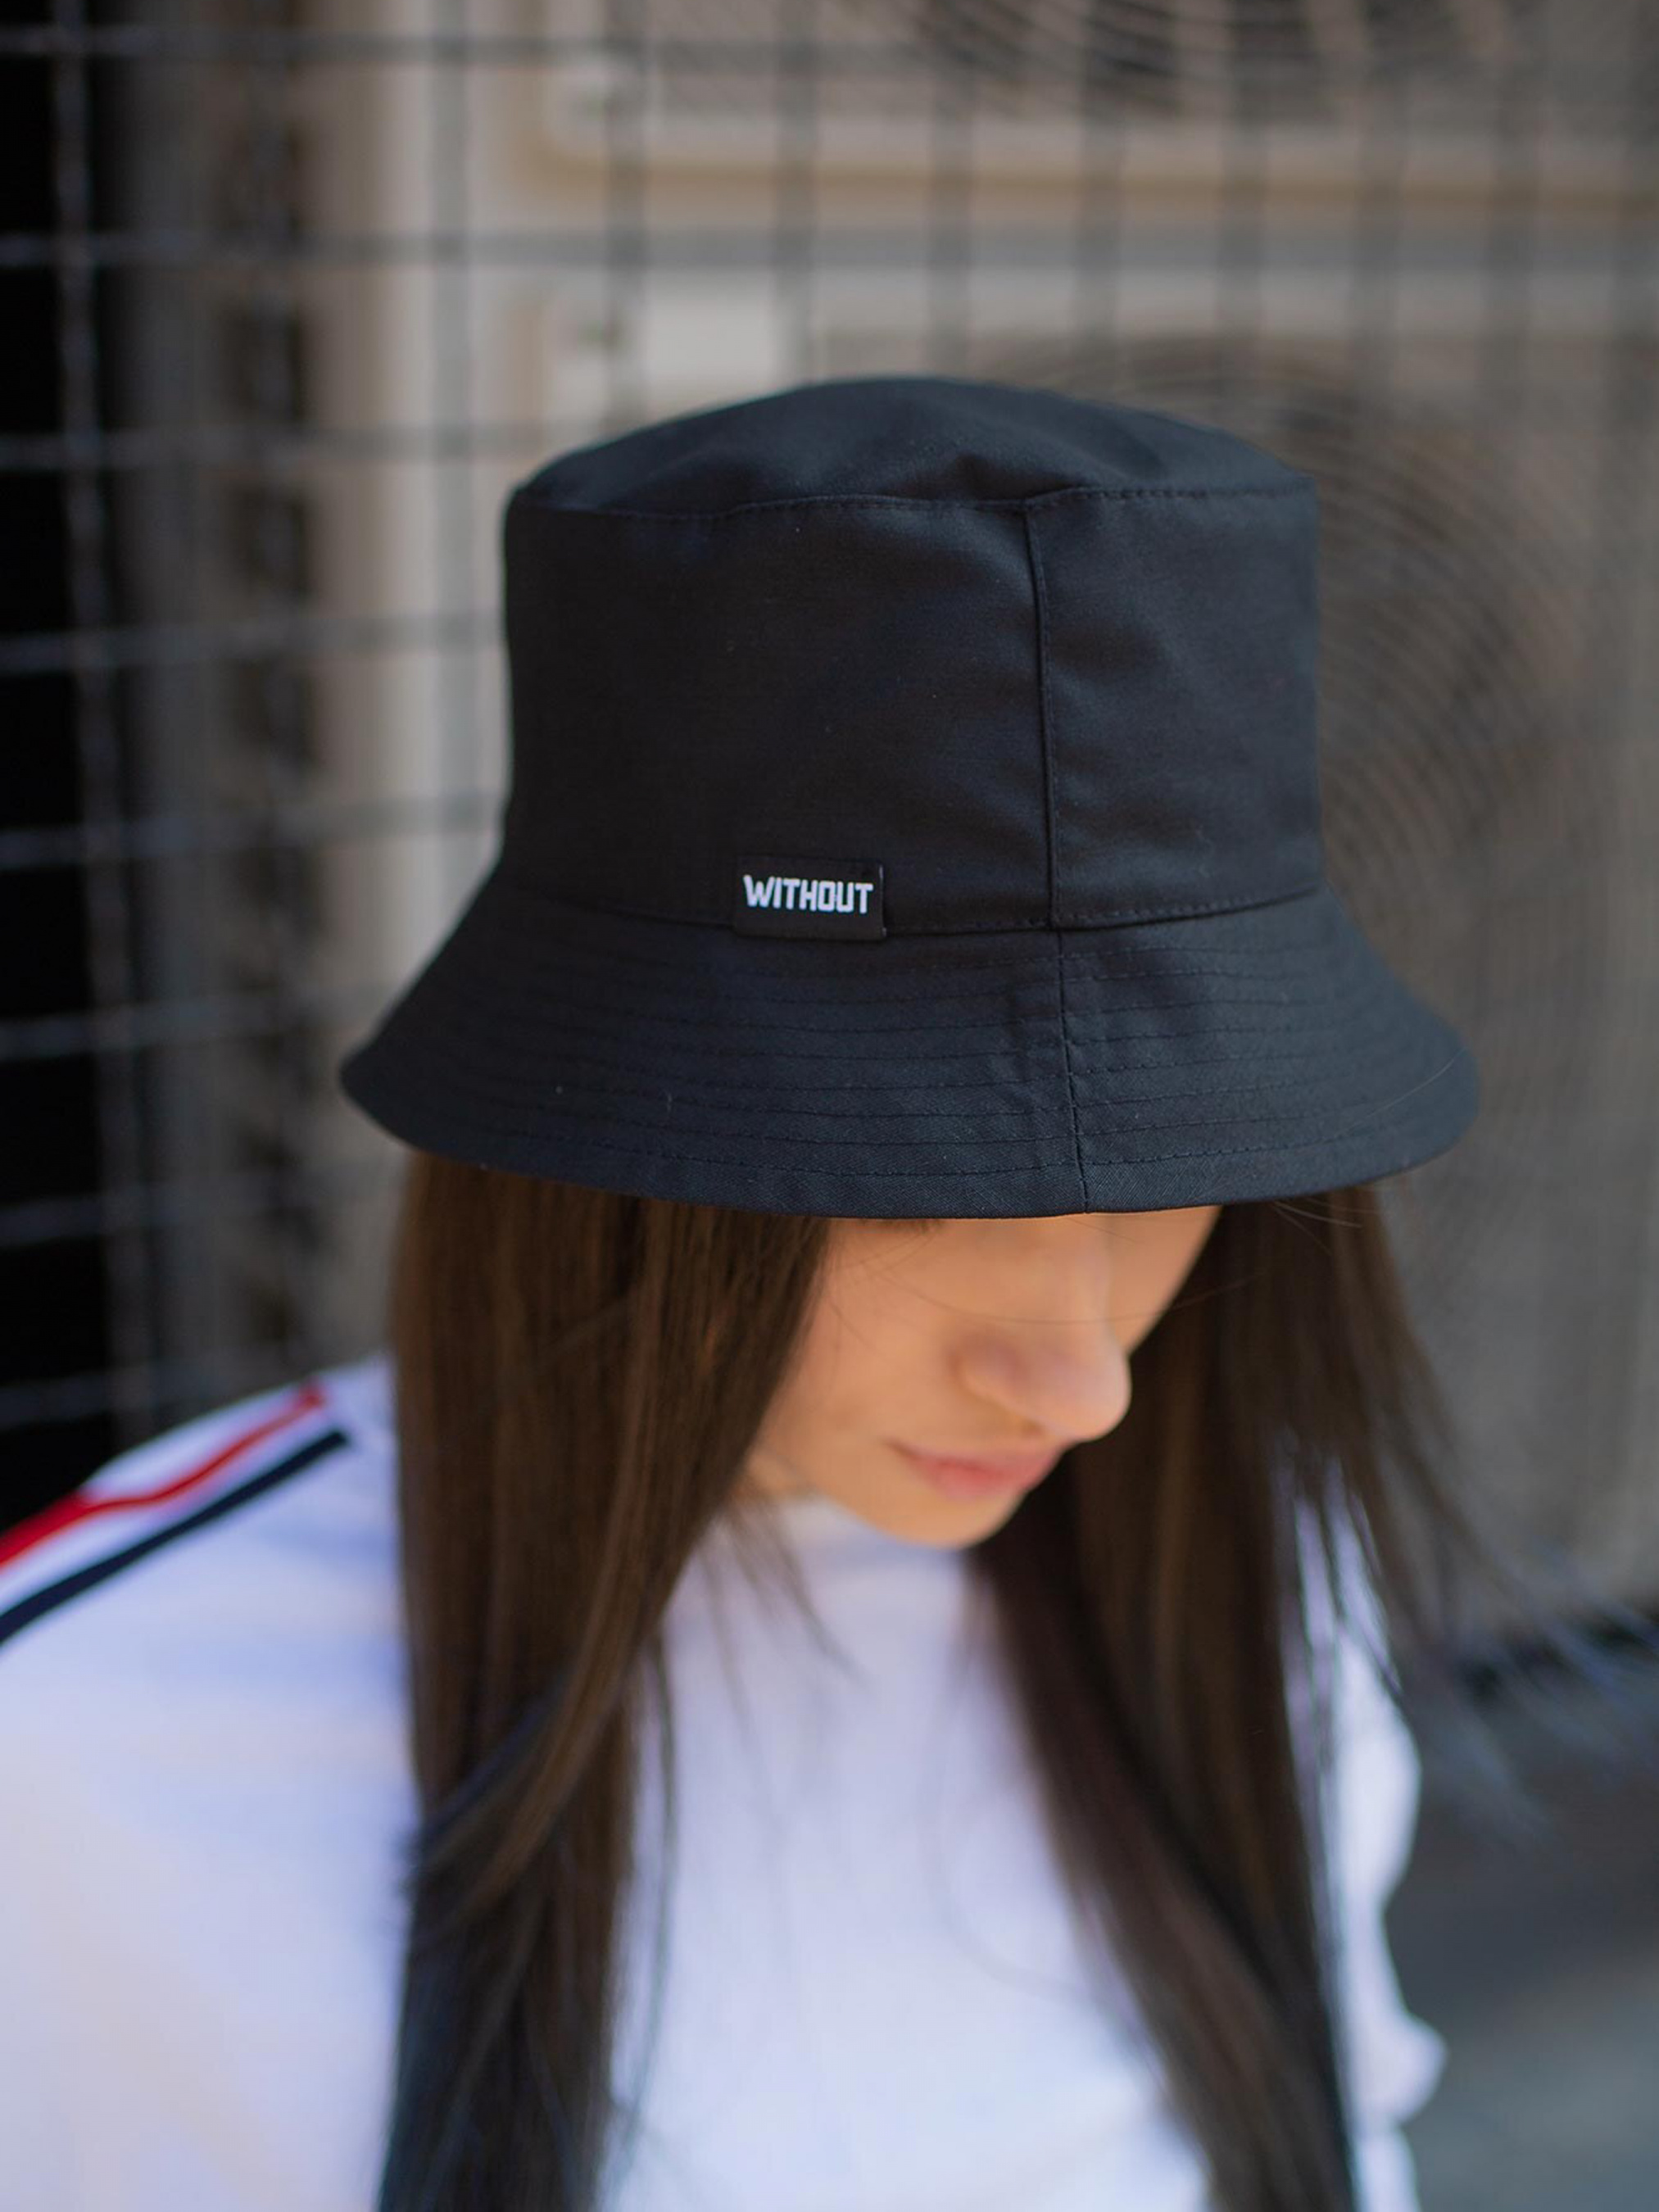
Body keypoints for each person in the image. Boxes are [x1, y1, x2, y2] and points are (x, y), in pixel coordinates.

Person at [0, 375, 1569, 2212]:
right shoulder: (95, 1746)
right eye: (923, 1188)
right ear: (604, 1155)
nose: (1084, 1384)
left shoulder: (1250, 1577)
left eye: (1177, 1172)